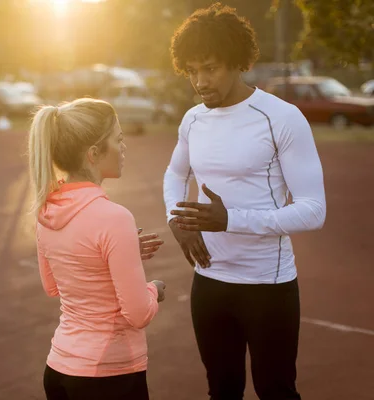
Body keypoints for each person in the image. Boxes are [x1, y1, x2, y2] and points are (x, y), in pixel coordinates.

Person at [163, 3, 326, 400]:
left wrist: (231, 220)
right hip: (210, 281)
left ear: (237, 62)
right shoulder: (193, 119)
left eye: (210, 68)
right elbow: (175, 173)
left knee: (276, 390)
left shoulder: (281, 118)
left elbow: (313, 210)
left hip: (267, 285)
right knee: (222, 389)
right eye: (191, 71)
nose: (200, 81)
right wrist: (176, 222)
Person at [28, 98, 167, 400]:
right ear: (93, 154)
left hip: (60, 369)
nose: (123, 148)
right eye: (117, 140)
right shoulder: (114, 218)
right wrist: (155, 288)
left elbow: (53, 286)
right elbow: (138, 314)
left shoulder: (45, 212)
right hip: (108, 376)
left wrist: (118, 255)